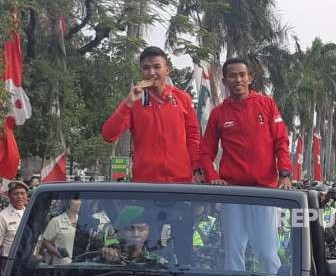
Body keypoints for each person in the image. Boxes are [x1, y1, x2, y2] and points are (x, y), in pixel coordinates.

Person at [200, 57, 292, 274]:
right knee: (233, 254)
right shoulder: (219, 113)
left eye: (242, 75)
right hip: (233, 194)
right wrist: (213, 177)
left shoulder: (267, 105)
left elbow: (281, 141)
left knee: (268, 254)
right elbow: (205, 152)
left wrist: (285, 173)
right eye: (232, 75)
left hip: (264, 192)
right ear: (224, 80)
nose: (238, 79)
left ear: (250, 78)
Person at [102, 46, 202, 183]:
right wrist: (128, 103)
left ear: (167, 70)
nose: (151, 72)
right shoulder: (134, 101)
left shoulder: (183, 98)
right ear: (141, 71)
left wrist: (197, 168)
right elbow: (108, 135)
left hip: (181, 182)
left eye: (157, 67)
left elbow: (193, 137)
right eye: (146, 68)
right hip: (145, 183)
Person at [42, 199, 82, 265]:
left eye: (79, 200)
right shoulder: (56, 221)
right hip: (61, 267)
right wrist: (56, 252)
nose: (78, 203)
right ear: (68, 202)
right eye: (75, 200)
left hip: (83, 265)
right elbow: (46, 241)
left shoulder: (85, 222)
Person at [0, 181, 28, 257]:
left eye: (22, 193)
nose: (19, 196)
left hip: (29, 263)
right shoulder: (2, 216)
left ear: (26, 195)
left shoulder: (31, 214)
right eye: (15, 194)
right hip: (9, 263)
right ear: (9, 195)